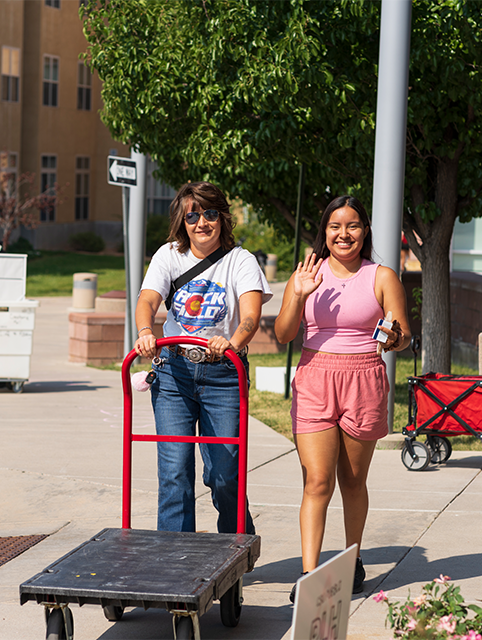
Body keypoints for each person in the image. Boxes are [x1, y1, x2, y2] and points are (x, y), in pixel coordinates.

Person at [274, 195, 410, 599]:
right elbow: (282, 335)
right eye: (335, 226)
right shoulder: (306, 274)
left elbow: (402, 337)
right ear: (325, 232)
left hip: (363, 379)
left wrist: (395, 338)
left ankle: (352, 560)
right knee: (317, 482)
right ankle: (310, 573)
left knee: (352, 481)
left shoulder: (382, 276)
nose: (343, 234)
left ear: (365, 230)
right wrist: (299, 295)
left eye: (352, 225)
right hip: (315, 377)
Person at [134, 181, 272, 534]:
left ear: (223, 218)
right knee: (174, 472)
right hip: (174, 374)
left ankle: (236, 547)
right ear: (182, 221)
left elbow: (250, 315)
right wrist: (146, 331)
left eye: (210, 213)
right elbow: (148, 300)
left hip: (223, 375)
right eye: (192, 215)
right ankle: (176, 564)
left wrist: (234, 341)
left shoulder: (240, 261)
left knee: (224, 475)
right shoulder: (168, 255)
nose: (202, 223)